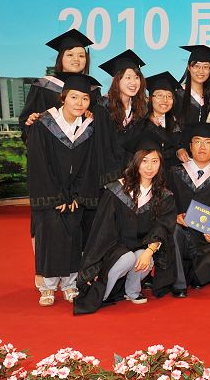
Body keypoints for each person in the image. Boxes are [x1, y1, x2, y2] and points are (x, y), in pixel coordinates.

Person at [75, 132, 176, 313]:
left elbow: (162, 226)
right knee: (127, 258)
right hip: (115, 248)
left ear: (160, 164)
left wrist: (149, 251)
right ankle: (102, 294)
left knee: (144, 257)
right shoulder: (117, 190)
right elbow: (103, 230)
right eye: (144, 161)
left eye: (154, 161)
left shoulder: (163, 195)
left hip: (142, 246)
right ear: (135, 162)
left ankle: (132, 290)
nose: (149, 167)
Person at [26, 73, 102, 306]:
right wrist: (57, 196)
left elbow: (89, 166)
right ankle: (48, 286)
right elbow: (39, 164)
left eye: (85, 98)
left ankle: (69, 283)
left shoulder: (88, 129)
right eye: (74, 97)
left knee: (73, 236)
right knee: (50, 237)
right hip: (50, 194)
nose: (79, 103)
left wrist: (76, 195)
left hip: (74, 196)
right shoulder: (43, 124)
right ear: (63, 98)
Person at [166, 123, 210, 296]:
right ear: (190, 146)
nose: (202, 147)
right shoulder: (174, 173)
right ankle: (179, 285)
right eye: (197, 142)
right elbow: (162, 205)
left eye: (208, 142)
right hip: (179, 238)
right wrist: (174, 217)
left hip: (204, 243)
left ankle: (189, 274)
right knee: (175, 230)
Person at [20, 29, 99, 141]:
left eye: (81, 56)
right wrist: (30, 122)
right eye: (70, 55)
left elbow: (99, 126)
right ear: (61, 58)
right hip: (48, 146)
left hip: (84, 148)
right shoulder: (43, 86)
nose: (76, 59)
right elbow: (26, 121)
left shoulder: (93, 89)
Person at [94, 49, 148, 185]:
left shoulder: (140, 110)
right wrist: (113, 179)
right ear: (116, 80)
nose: (133, 82)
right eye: (128, 77)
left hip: (134, 177)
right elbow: (102, 147)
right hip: (109, 179)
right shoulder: (102, 108)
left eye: (137, 77)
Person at [142, 72, 185, 171]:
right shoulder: (141, 124)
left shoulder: (177, 125)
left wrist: (179, 149)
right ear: (150, 98)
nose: (165, 100)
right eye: (159, 95)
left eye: (169, 96)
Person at [178, 45, 210, 124]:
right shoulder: (178, 95)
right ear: (189, 67)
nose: (201, 71)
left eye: (205, 67)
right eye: (196, 66)